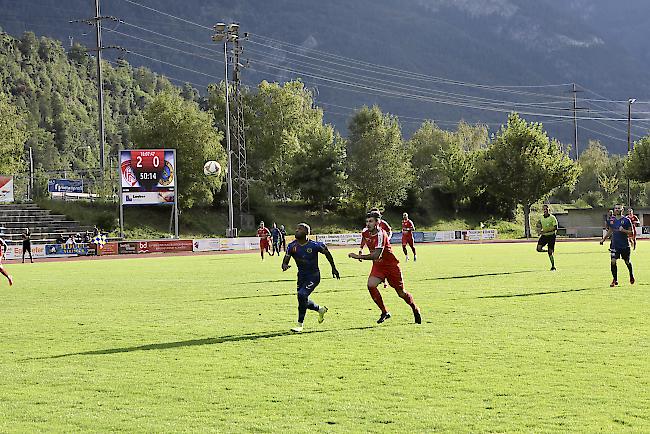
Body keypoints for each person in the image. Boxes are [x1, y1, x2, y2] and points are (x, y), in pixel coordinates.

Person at [348, 211, 421, 324]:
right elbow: (365, 240)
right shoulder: (365, 232)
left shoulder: (382, 234)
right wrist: (361, 248)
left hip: (391, 266)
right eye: (367, 221)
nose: (368, 224)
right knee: (371, 285)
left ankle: (415, 309)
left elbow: (377, 255)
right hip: (378, 266)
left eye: (371, 221)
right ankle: (385, 312)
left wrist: (358, 256)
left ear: (378, 222)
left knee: (401, 293)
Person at [282, 223, 340, 333]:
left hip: (313, 276)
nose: (296, 230)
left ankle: (300, 325)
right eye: (297, 228)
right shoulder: (291, 246)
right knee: (302, 299)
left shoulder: (315, 245)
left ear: (306, 232)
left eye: (300, 229)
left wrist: (333, 268)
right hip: (301, 276)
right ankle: (320, 309)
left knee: (302, 295)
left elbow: (328, 254)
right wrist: (284, 265)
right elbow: (285, 261)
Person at [600, 204, 635, 287]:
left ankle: (631, 275)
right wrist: (603, 239)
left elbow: (632, 233)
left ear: (622, 210)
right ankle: (615, 280)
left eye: (618, 208)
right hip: (614, 245)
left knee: (627, 262)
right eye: (615, 208)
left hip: (624, 245)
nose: (617, 209)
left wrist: (623, 230)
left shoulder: (627, 220)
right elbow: (610, 230)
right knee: (613, 261)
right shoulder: (611, 220)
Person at [536, 204, 558, 271]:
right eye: (544, 209)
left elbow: (555, 227)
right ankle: (548, 251)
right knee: (538, 249)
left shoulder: (552, 218)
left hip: (551, 236)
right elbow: (538, 224)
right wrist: (538, 229)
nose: (545, 210)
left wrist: (545, 231)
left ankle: (553, 266)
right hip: (544, 236)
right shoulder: (541, 218)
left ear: (549, 210)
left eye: (546, 209)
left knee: (550, 253)